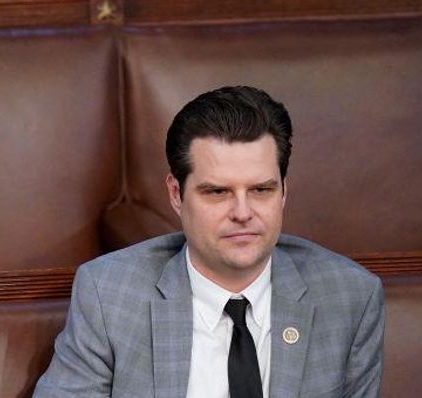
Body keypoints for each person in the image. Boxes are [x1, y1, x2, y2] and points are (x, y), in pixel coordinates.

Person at [34, 86, 384, 397]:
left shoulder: (350, 297)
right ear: (176, 194)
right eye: (218, 192)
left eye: (261, 190)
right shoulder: (110, 295)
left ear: (284, 192)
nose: (243, 212)